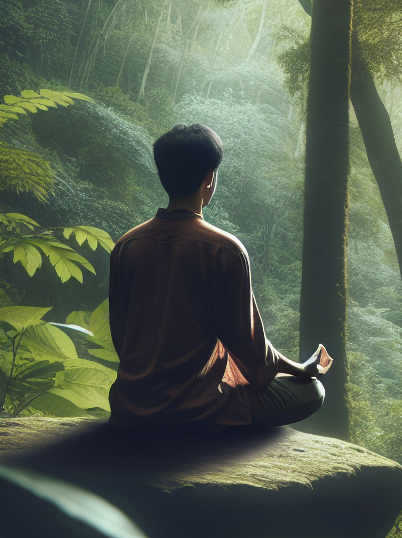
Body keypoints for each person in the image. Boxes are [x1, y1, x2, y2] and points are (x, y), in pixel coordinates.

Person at [107, 123, 331, 431]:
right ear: (210, 178)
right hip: (198, 410)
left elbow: (123, 339)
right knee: (312, 391)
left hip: (132, 407)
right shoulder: (224, 250)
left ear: (163, 175)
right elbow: (252, 353)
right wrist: (301, 369)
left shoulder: (126, 245)